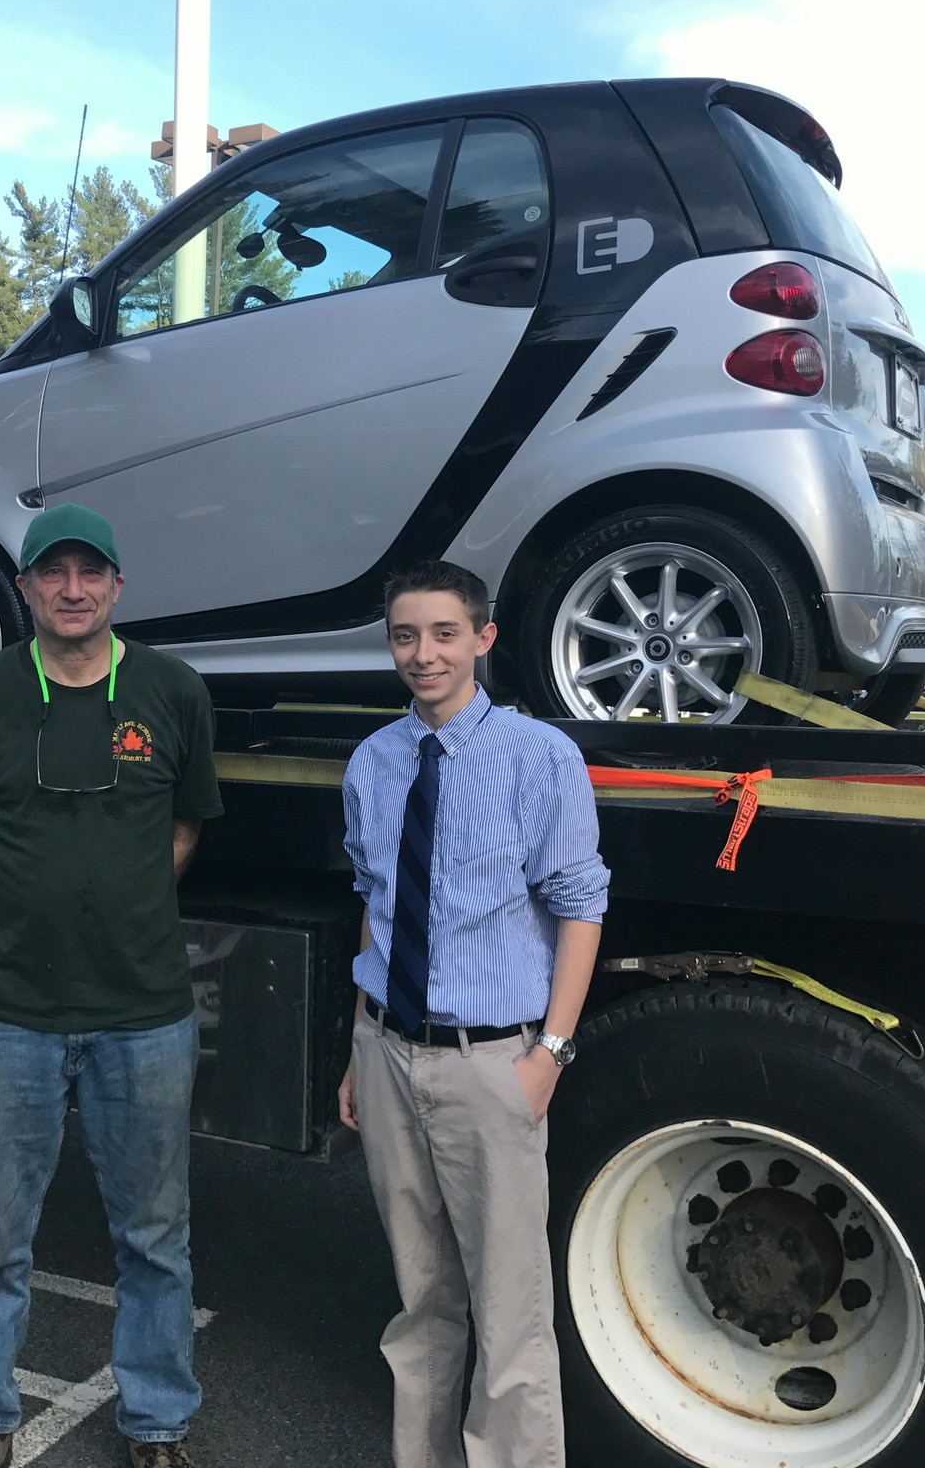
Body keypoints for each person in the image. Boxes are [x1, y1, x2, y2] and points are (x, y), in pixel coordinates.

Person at [0, 503, 224, 1468]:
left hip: (142, 1016)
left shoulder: (172, 691)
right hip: (6, 1014)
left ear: (116, 587)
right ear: (22, 589)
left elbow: (184, 830)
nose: (70, 589)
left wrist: (118, 908)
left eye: (88, 572)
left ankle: (156, 1426)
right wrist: (24, 913)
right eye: (50, 573)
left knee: (154, 1238)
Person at [336, 559, 609, 1468]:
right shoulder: (373, 763)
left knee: (511, 1311)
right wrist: (356, 1047)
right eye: (406, 636)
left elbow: (581, 908)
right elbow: (378, 900)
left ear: (484, 639)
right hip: (386, 1052)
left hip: (489, 1063)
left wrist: (550, 1056)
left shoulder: (540, 758)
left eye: (445, 634)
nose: (425, 654)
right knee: (421, 1301)